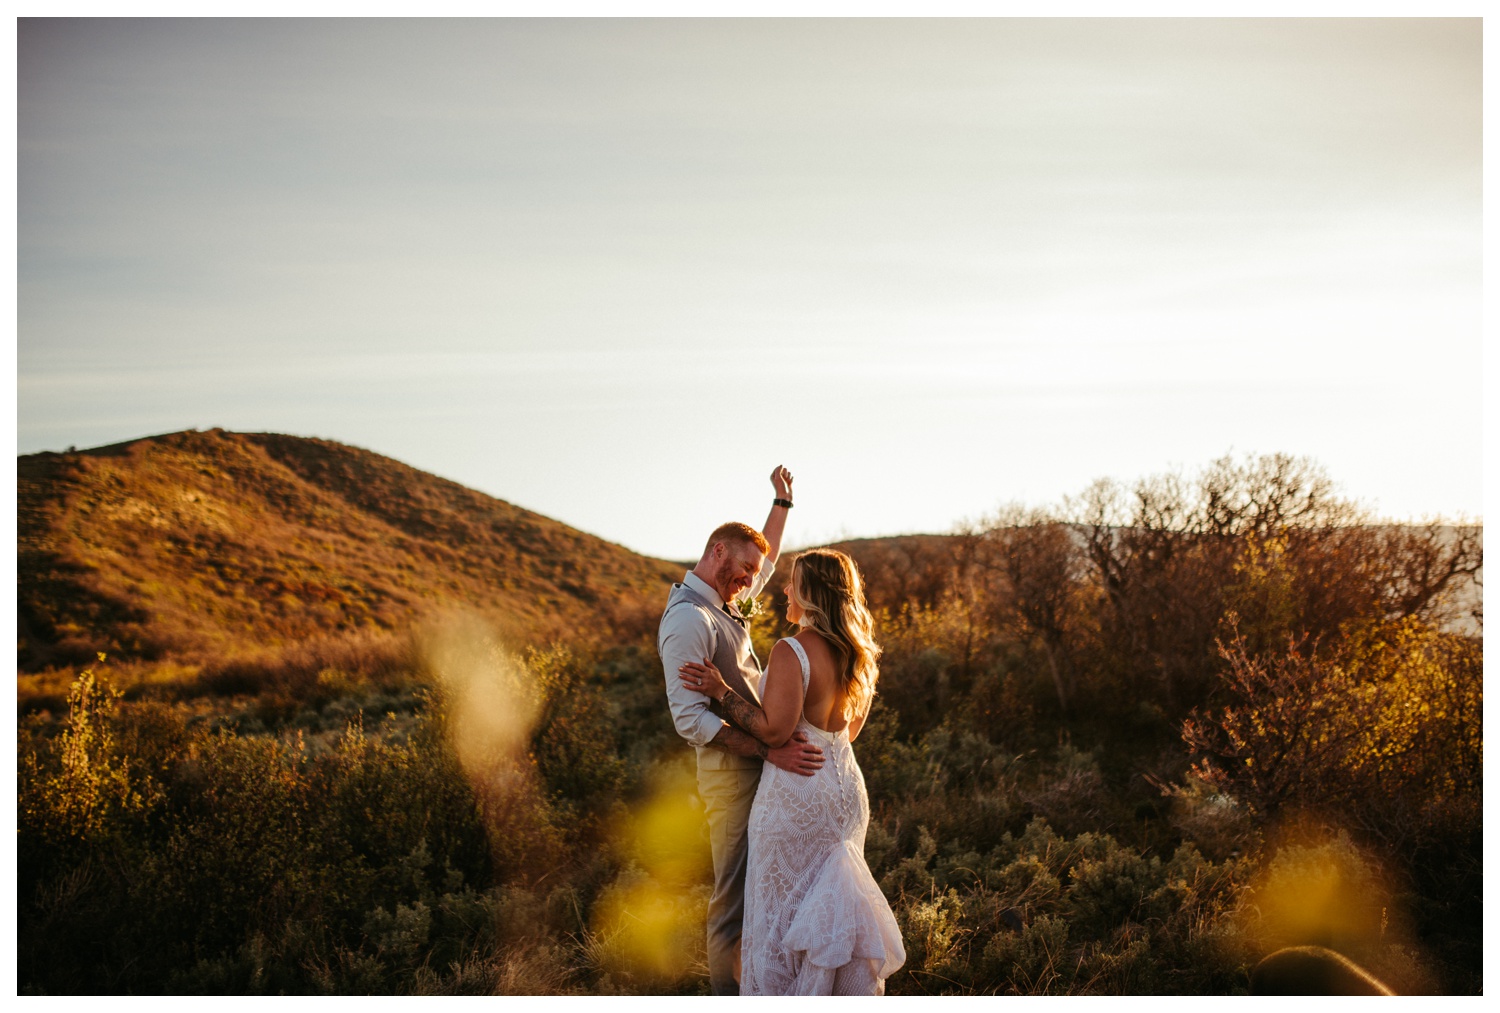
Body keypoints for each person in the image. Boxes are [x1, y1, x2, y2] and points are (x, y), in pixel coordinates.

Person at [679, 548, 906, 995]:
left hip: (797, 793)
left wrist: (721, 691)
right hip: (844, 791)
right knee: (830, 908)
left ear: (811, 594)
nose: (784, 589)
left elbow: (775, 731)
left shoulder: (792, 650)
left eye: (793, 583)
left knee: (780, 918)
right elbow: (849, 731)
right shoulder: (858, 653)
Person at [657, 465, 825, 996]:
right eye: (743, 569)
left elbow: (767, 559)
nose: (752, 580)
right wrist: (767, 751)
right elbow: (689, 719)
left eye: (752, 574)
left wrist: (782, 505)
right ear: (716, 554)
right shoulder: (690, 619)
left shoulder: (727, 602)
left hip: (759, 759)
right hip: (731, 774)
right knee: (731, 899)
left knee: (765, 890)